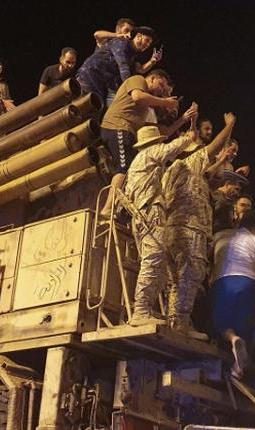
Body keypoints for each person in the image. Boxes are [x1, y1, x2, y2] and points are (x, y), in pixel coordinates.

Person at [161, 112, 237, 339]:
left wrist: (222, 162)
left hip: (173, 230)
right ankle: (181, 321)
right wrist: (231, 125)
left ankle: (176, 321)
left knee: (176, 278)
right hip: (190, 228)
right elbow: (215, 146)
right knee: (191, 274)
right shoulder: (189, 162)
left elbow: (209, 173)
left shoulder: (173, 169)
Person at [124, 126, 199, 325]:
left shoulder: (137, 163)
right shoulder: (149, 153)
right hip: (149, 212)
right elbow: (169, 150)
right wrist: (187, 138)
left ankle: (144, 310)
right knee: (153, 260)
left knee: (155, 261)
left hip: (142, 214)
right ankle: (140, 311)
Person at [98, 70, 185, 217]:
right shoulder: (138, 80)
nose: (161, 90)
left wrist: (183, 119)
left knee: (132, 170)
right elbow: (137, 97)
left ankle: (119, 208)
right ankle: (107, 208)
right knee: (124, 168)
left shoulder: (144, 108)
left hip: (127, 131)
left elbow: (164, 132)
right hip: (117, 126)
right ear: (152, 78)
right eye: (161, 85)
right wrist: (165, 102)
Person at [210, 210, 255, 377]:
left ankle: (232, 339)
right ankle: (239, 366)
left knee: (222, 322)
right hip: (247, 281)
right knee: (247, 325)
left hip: (223, 280)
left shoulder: (221, 236)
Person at [75, 26, 157, 104]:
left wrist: (152, 61)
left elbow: (140, 69)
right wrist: (132, 90)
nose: (147, 45)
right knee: (79, 109)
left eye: (149, 44)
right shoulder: (121, 43)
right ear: (139, 36)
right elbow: (123, 66)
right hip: (89, 78)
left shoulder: (132, 56)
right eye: (147, 40)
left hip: (101, 86)